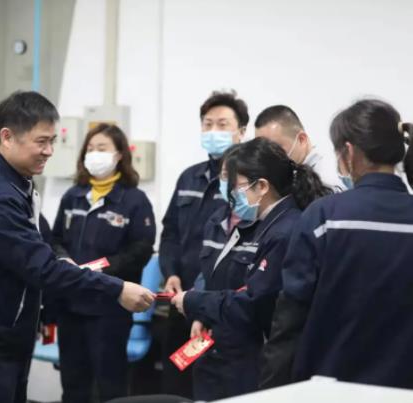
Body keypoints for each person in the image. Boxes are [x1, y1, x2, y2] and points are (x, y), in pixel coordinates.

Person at [0, 91, 155, 403]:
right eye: (41, 142)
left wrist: (64, 259)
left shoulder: (15, 182)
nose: (50, 151)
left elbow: (44, 239)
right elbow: (41, 267)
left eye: (53, 141)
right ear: (7, 137)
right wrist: (118, 289)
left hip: (7, 331)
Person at [260, 99, 413, 389]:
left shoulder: (324, 217)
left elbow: (290, 320)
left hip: (332, 385)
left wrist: (272, 387)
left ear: (349, 153)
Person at [171, 137, 330, 401]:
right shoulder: (265, 224)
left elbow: (255, 302)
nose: (230, 195)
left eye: (236, 186)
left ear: (262, 186)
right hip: (228, 345)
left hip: (259, 355)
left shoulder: (284, 230)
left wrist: (194, 301)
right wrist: (204, 312)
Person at [52, 124, 156, 403]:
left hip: (110, 306)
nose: (94, 153)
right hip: (71, 304)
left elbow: (141, 249)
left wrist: (101, 267)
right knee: (73, 384)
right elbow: (55, 238)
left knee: (110, 386)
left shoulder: (134, 200)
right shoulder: (73, 195)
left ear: (119, 155)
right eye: (90, 148)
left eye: (102, 148)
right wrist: (63, 258)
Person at [159, 90, 248, 397]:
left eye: (222, 124)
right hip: (179, 296)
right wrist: (170, 272)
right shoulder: (189, 178)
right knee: (175, 381)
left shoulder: (246, 185)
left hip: (217, 301)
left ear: (241, 131)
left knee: (211, 385)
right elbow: (170, 231)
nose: (213, 131)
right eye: (207, 124)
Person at [254, 105, 344, 191]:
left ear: (302, 139)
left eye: (275, 149)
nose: (268, 157)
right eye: (262, 150)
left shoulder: (327, 181)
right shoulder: (290, 177)